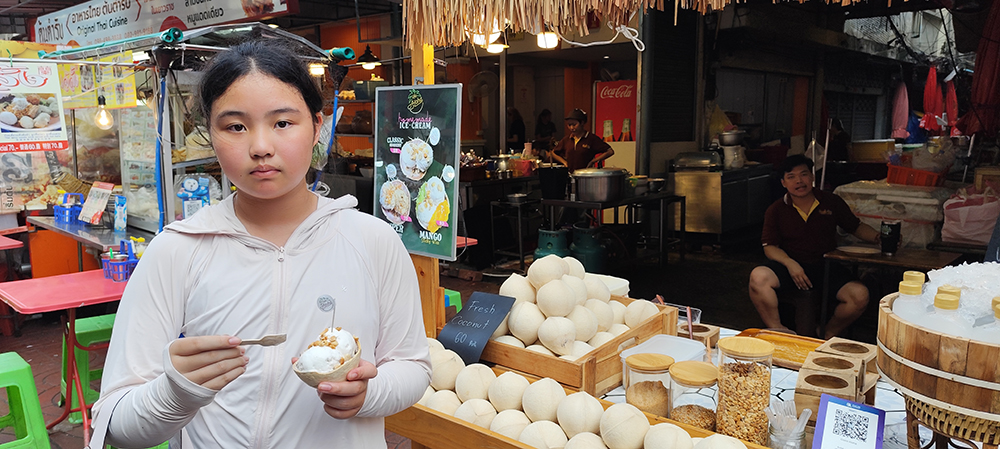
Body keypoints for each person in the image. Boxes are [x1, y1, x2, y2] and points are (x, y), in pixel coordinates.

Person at [89, 40, 431, 448]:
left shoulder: (372, 241)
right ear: (210, 134)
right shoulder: (176, 250)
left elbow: (412, 366)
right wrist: (174, 393)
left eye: (282, 123)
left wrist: (368, 394)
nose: (261, 147)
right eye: (236, 127)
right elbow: (117, 423)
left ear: (317, 126)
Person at [748, 154, 880, 339]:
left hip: (826, 266)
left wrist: (878, 237)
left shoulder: (831, 201)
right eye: (791, 177)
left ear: (812, 177)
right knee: (758, 277)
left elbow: (855, 227)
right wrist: (790, 263)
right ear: (783, 183)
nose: (799, 181)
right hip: (791, 268)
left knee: (859, 295)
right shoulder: (776, 209)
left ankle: (826, 333)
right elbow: (769, 246)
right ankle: (778, 330)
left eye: (803, 174)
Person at [548, 108, 615, 172]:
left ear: (582, 123)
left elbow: (610, 151)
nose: (571, 127)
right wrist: (564, 162)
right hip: (570, 174)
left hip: (585, 174)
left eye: (574, 124)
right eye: (569, 125)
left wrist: (593, 161)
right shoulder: (567, 139)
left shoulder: (591, 138)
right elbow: (553, 153)